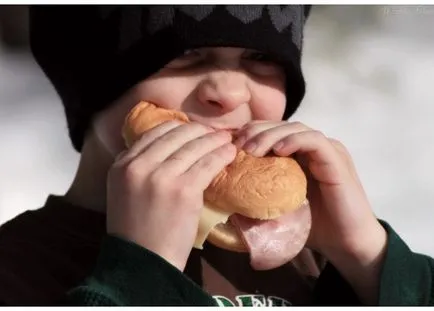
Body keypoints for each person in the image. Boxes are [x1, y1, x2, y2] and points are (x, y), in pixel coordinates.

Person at [0, 5, 432, 306]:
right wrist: (140, 276)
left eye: (260, 58)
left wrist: (368, 259)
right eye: (185, 56)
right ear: (91, 79)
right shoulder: (19, 268)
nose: (229, 92)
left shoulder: (307, 255)